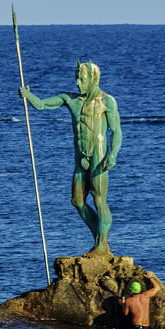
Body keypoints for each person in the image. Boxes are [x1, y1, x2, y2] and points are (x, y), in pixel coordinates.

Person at [20, 61, 122, 254]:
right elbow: (42, 105)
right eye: (76, 78)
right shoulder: (71, 100)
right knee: (77, 201)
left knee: (99, 199)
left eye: (82, 79)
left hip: (99, 155)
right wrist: (28, 96)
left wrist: (113, 153)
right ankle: (99, 239)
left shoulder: (106, 101)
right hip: (80, 157)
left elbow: (116, 131)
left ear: (93, 79)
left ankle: (101, 245)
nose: (78, 83)